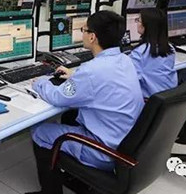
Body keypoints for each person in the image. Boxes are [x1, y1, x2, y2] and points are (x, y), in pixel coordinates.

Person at [28, 11, 144, 194]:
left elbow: (58, 97)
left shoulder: (91, 71)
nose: (82, 33)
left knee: (40, 131)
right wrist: (77, 76)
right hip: (126, 143)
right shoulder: (125, 60)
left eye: (84, 29)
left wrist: (40, 82)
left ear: (92, 37)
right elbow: (99, 81)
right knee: (70, 116)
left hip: (105, 152)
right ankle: (77, 178)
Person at [130, 8, 178, 97]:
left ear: (147, 26)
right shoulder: (170, 48)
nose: (137, 23)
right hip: (169, 98)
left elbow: (130, 82)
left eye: (139, 20)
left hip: (151, 101)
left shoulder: (139, 53)